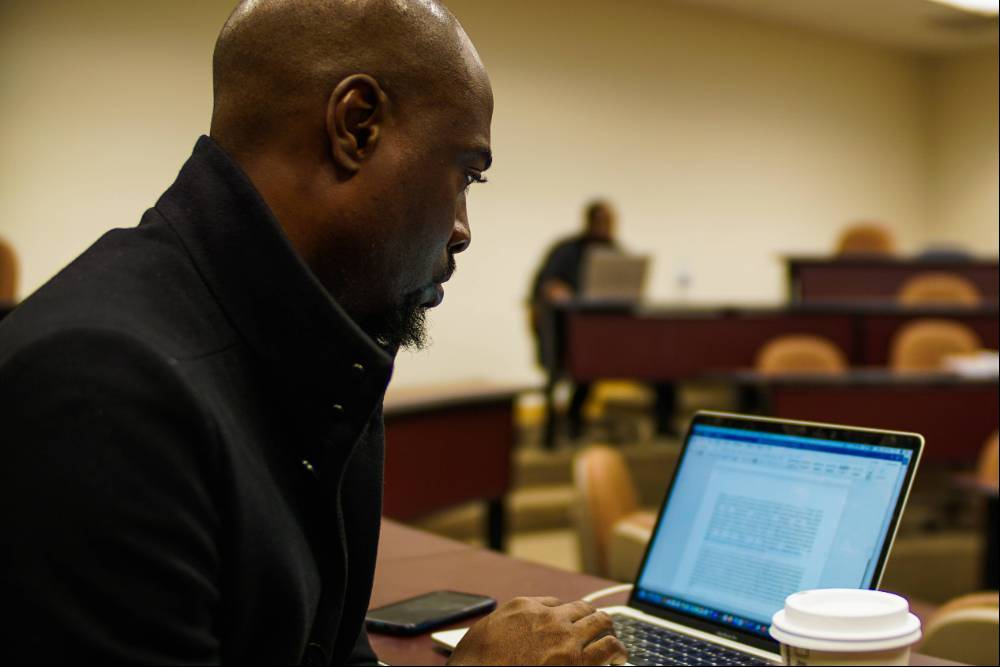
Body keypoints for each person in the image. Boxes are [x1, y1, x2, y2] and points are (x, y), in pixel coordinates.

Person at [0, 1, 627, 665]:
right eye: (464, 174)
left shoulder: (313, 348)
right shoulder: (102, 386)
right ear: (356, 126)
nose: (463, 229)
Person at [530, 201, 676, 445]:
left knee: (664, 364)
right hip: (571, 334)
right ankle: (570, 428)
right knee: (580, 376)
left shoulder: (616, 251)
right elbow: (546, 286)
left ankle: (664, 426)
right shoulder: (566, 250)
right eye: (603, 221)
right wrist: (560, 293)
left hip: (611, 335)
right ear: (590, 221)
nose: (608, 227)